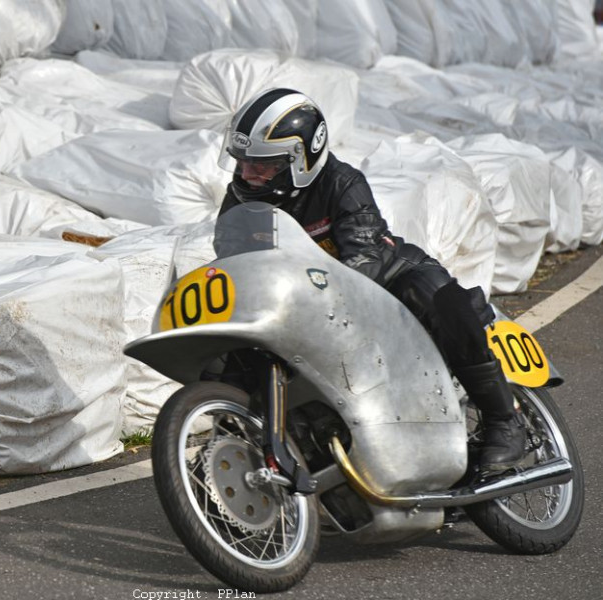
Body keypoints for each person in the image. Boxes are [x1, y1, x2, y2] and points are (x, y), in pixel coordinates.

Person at [218, 88, 525, 472]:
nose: (248, 173)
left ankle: (504, 419)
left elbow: (364, 257)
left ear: (301, 159)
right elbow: (237, 263)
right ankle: (234, 451)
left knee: (440, 299)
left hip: (387, 278)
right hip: (303, 302)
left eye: (263, 164)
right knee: (235, 355)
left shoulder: (342, 183)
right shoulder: (240, 200)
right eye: (243, 162)